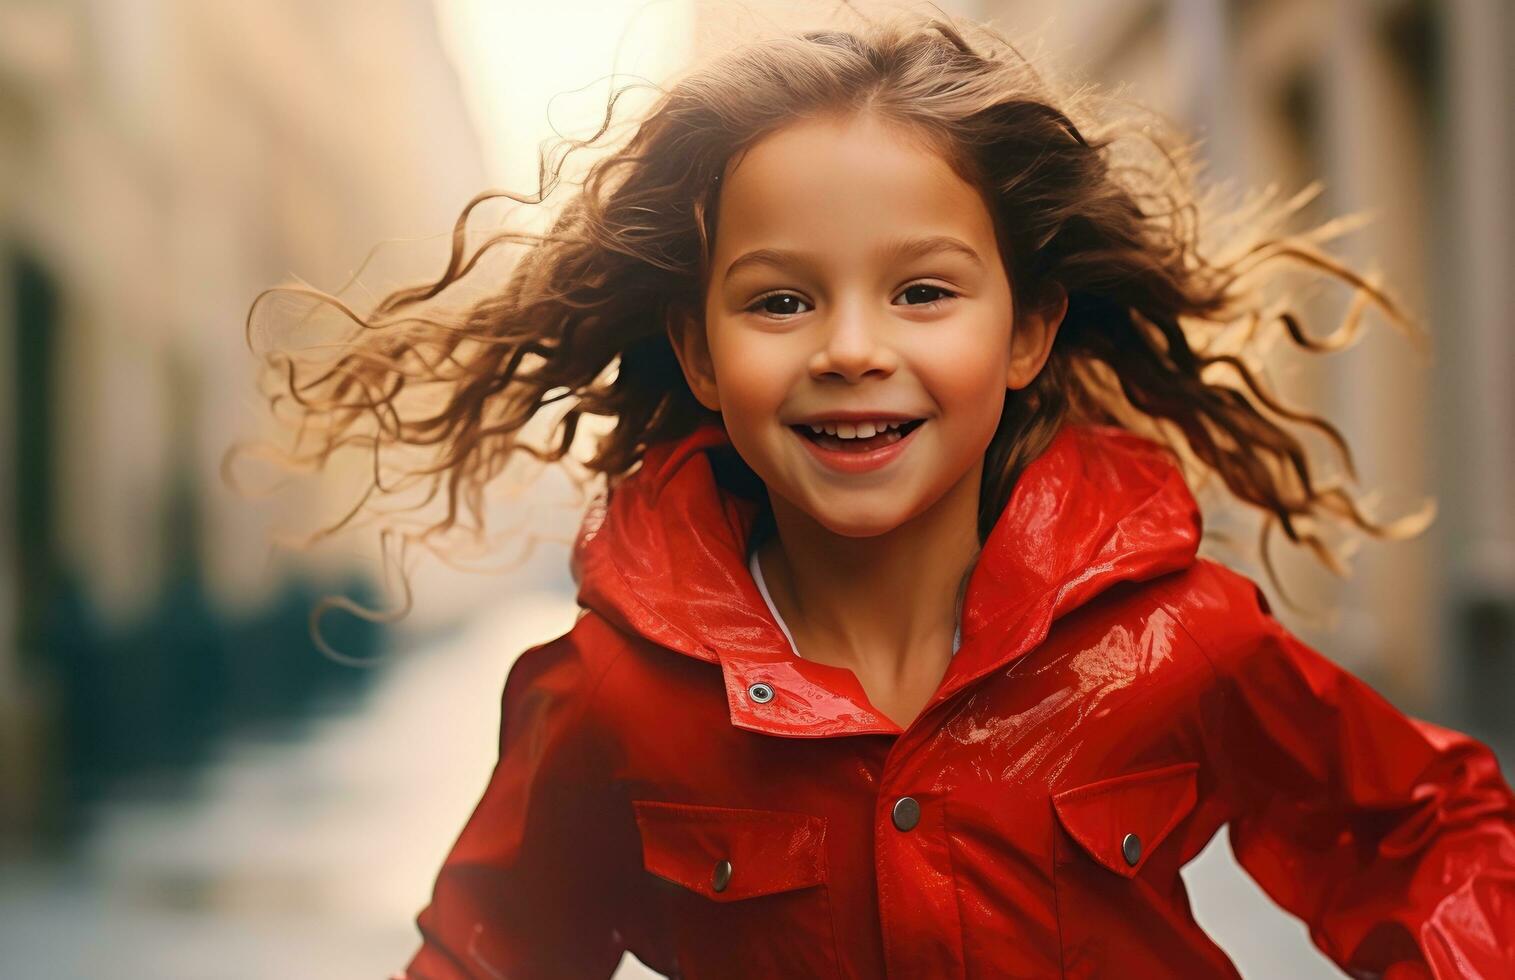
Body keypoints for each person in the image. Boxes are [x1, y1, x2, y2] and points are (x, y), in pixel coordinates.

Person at [239, 9, 1515, 979]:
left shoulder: (1182, 639)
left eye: (922, 290)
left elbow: (1430, 829)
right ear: (700, 349)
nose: (851, 347)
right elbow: (483, 958)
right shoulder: (612, 698)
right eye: (782, 299)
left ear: (1025, 335)